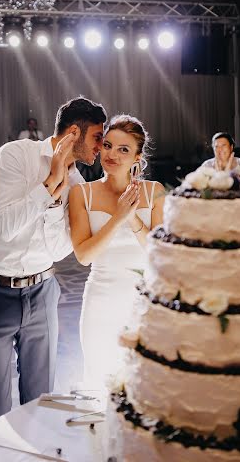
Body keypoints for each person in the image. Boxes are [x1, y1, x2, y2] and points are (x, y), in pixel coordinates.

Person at [0, 97, 106, 427]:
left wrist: (57, 201)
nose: (101, 145)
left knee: (41, 405)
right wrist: (49, 183)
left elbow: (57, 250)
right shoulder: (14, 155)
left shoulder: (77, 186)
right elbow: (6, 227)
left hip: (43, 291)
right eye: (97, 136)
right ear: (73, 133)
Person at [69, 115, 165, 397]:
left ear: (137, 157)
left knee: (145, 391)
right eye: (108, 145)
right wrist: (117, 218)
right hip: (99, 304)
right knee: (101, 388)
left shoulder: (154, 192)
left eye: (123, 149)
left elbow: (159, 255)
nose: (111, 154)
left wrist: (133, 219)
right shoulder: (81, 194)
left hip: (144, 307)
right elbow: (84, 255)